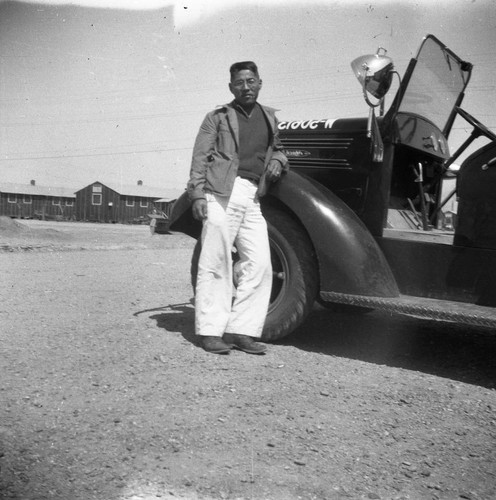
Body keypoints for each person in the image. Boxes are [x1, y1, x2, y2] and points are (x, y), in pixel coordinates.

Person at [186, 61, 289, 355]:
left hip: (252, 195)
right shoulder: (216, 117)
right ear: (231, 87)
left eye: (251, 81)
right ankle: (209, 332)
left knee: (260, 264)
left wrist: (278, 161)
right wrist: (196, 195)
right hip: (220, 193)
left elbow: (279, 149)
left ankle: (240, 330)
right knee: (216, 261)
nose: (246, 87)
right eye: (240, 83)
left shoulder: (269, 117)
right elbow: (200, 157)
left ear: (259, 83)